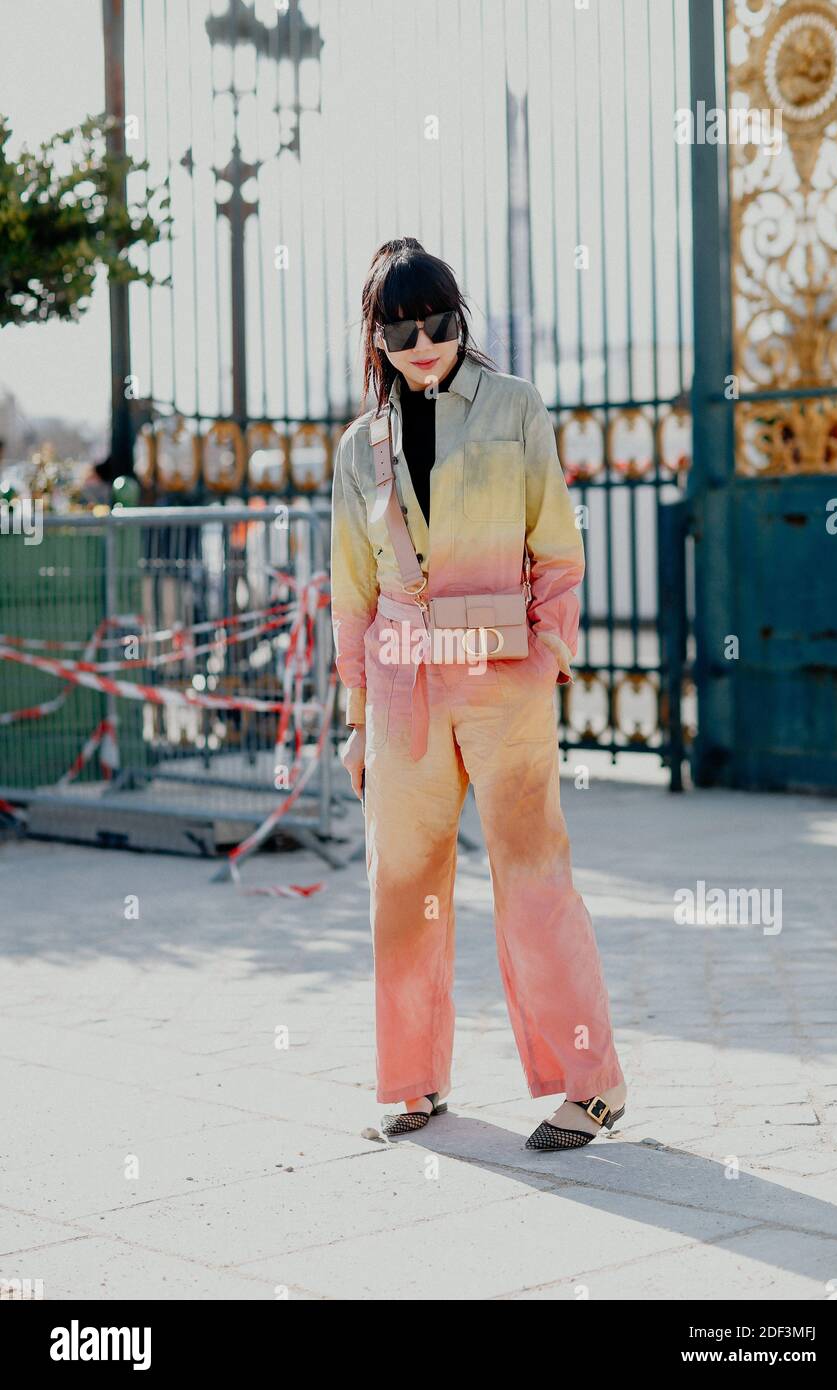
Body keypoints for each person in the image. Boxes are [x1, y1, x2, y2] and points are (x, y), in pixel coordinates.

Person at [330, 237, 625, 1151]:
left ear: (461, 321)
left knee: (534, 884)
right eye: (401, 327)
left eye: (439, 322)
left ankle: (591, 1087)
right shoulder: (357, 448)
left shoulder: (515, 408)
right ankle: (412, 1085)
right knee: (403, 889)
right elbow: (352, 593)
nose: (423, 342)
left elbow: (560, 555)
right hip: (401, 690)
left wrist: (545, 662)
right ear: (375, 337)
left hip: (503, 684)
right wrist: (356, 723)